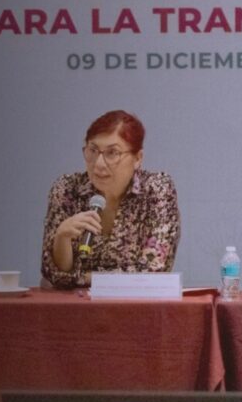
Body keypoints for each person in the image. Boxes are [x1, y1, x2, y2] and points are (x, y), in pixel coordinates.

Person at [41, 110, 180, 288]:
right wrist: (62, 238)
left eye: (112, 153)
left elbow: (153, 271)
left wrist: (83, 278)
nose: (99, 164)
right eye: (93, 151)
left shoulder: (157, 189)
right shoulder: (67, 189)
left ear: (138, 158)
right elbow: (55, 275)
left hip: (136, 301)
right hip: (76, 302)